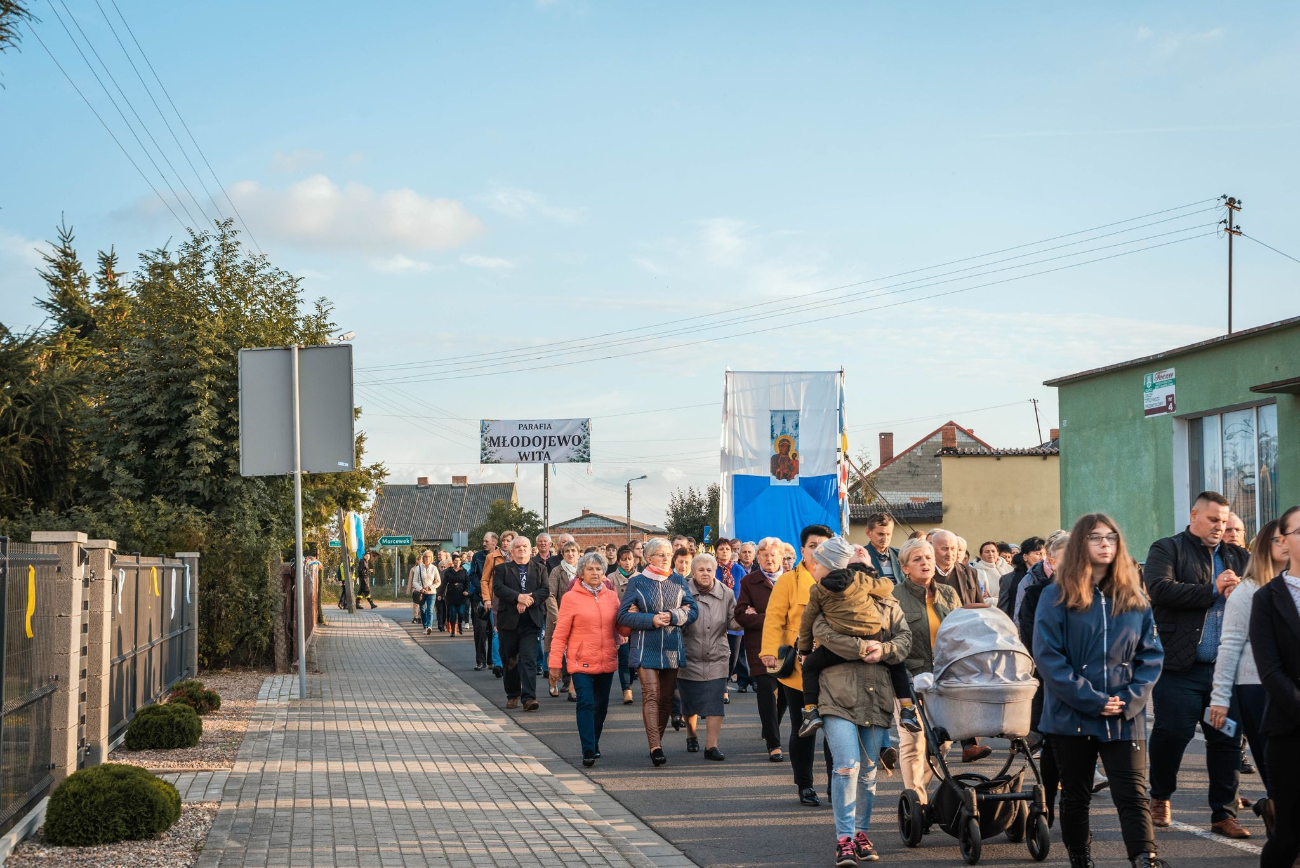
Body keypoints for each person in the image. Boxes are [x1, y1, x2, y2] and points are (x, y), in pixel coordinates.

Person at [1034, 513, 1166, 868]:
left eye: (1111, 537)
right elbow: (1049, 658)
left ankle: (1145, 858)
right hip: (1071, 714)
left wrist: (1130, 699)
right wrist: (1092, 700)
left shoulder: (1134, 598)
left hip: (1124, 714)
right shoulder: (1055, 596)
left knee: (1133, 795)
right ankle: (1081, 858)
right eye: (1095, 537)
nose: (1105, 543)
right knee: (1076, 795)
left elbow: (1151, 656)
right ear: (1081, 544)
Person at [1144, 490, 1251, 837]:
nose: (1221, 527)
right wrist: (1212, 590)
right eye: (1214, 519)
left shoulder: (1239, 556)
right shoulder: (1168, 548)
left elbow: (1261, 595)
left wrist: (1242, 593)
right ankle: (1160, 795)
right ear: (1194, 516)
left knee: (1227, 740)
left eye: (1225, 521)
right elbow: (1159, 589)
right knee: (1173, 733)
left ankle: (1223, 814)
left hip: (1226, 671)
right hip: (1181, 667)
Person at [804, 541, 911, 866]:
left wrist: (885, 650)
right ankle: (844, 839)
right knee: (847, 765)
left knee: (868, 771)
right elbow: (822, 633)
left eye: (865, 555)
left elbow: (904, 639)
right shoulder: (827, 598)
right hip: (836, 694)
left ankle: (861, 834)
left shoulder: (889, 601)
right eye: (855, 552)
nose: (861, 553)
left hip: (876, 694)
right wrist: (866, 647)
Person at [794, 537, 915, 739]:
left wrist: (804, 651)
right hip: (875, 635)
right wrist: (883, 583)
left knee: (810, 667)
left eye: (817, 565)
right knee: (897, 664)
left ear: (828, 566)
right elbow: (886, 587)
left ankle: (810, 711)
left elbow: (807, 624)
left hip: (842, 647)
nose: (814, 569)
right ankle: (907, 709)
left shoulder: (819, 590)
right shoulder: (862, 580)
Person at [1210, 518, 1290, 819]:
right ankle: (1279, 819)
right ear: (1266, 546)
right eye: (1280, 539)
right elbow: (1229, 646)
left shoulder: (1294, 587)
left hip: (1292, 685)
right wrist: (1220, 698)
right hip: (1256, 687)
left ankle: (1276, 812)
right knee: (1274, 767)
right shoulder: (1248, 591)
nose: (1287, 544)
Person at [760, 524, 835, 807]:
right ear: (802, 550)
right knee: (803, 727)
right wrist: (769, 652)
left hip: (835, 667)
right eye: (813, 546)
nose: (818, 551)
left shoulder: (840, 579)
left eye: (824, 547)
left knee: (836, 729)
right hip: (799, 669)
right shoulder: (788, 582)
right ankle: (805, 785)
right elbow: (774, 619)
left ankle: (836, 784)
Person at [616, 538, 698, 766]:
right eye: (661, 554)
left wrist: (673, 615)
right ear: (648, 558)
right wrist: (650, 619)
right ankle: (655, 747)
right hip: (645, 647)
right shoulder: (637, 582)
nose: (665, 558)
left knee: (666, 698)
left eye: (668, 554)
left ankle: (657, 739)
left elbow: (692, 611)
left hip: (671, 647)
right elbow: (622, 616)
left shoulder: (678, 580)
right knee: (651, 694)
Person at [1249, 504, 1300, 868]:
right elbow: (1269, 671)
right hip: (1289, 731)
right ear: (1282, 541)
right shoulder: (1267, 598)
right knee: (1289, 837)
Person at [891, 537, 960, 806]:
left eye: (929, 558)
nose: (925, 563)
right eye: (917, 559)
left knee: (942, 743)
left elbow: (960, 632)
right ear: (905, 568)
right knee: (913, 741)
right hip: (908, 677)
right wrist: (903, 672)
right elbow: (890, 639)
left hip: (944, 677)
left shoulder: (948, 594)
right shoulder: (895, 596)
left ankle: (921, 791)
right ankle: (916, 802)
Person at [1015, 530, 1075, 822]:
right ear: (1051, 560)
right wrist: (1057, 669)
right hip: (1051, 679)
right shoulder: (1036, 593)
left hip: (1083, 681)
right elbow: (1032, 637)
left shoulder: (1094, 591)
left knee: (1078, 753)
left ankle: (1074, 817)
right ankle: (1046, 805)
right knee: (1052, 745)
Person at [548, 552, 619, 767]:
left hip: (606, 658)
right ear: (581, 573)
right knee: (586, 703)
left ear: (604, 572)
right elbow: (560, 634)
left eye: (598, 569)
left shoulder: (611, 596)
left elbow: (621, 628)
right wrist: (554, 663)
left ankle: (594, 742)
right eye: (590, 569)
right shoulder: (571, 598)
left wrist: (631, 617)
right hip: (580, 661)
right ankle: (587, 748)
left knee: (601, 706)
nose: (595, 573)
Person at [736, 536, 789, 761]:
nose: (769, 559)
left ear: (781, 557)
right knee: (767, 692)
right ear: (758, 557)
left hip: (788, 646)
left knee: (785, 693)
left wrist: (761, 615)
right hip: (760, 646)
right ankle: (774, 744)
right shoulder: (749, 582)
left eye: (773, 555)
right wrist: (774, 619)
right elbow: (741, 615)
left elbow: (798, 615)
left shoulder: (791, 580)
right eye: (764, 555)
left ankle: (770, 726)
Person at [680, 552, 735, 760]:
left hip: (717, 656)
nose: (705, 573)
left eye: (709, 570)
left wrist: (745, 617)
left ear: (715, 571)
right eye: (701, 570)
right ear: (693, 572)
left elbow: (733, 622)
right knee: (689, 703)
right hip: (689, 654)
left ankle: (711, 746)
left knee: (714, 704)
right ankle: (691, 734)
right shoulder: (682, 591)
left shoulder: (726, 593)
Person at [493, 535, 550, 711]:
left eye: (525, 546)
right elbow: (499, 588)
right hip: (508, 622)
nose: (521, 549)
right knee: (510, 660)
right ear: (511, 551)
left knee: (528, 660)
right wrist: (518, 597)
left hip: (531, 622)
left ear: (530, 549)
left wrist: (527, 601)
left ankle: (529, 698)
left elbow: (544, 590)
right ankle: (512, 694)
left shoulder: (540, 569)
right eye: (517, 547)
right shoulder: (502, 569)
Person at [545, 541, 582, 699]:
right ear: (563, 554)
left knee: (576, 652)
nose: (570, 554)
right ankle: (553, 681)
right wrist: (558, 617)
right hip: (557, 617)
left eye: (573, 551)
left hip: (578, 618)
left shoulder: (583, 570)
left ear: (579, 553)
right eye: (567, 551)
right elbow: (550, 594)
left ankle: (573, 687)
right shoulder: (556, 571)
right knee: (555, 651)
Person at [609, 545, 638, 704]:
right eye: (624, 559)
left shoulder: (640, 577)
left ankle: (630, 684)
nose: (627, 562)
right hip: (620, 622)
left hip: (638, 622)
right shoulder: (611, 578)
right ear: (618, 561)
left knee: (634, 658)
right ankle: (626, 689)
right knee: (625, 656)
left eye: (630, 559)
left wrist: (638, 607)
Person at [930, 530, 981, 607]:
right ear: (933, 549)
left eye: (953, 549)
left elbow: (979, 605)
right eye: (945, 549)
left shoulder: (970, 572)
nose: (950, 554)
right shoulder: (926, 574)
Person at [999, 536, 1046, 619]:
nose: (1043, 558)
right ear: (1025, 556)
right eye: (1038, 554)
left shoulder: (1049, 577)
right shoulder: (1008, 579)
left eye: (1045, 554)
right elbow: (1003, 611)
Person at [862, 513, 901, 584]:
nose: (885, 538)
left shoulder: (901, 555)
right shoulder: (860, 557)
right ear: (868, 532)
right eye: (881, 534)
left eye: (888, 534)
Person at [409, 550, 440, 635]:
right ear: (423, 558)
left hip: (431, 592)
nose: (427, 558)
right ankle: (425, 626)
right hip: (421, 593)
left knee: (429, 609)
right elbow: (414, 581)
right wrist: (420, 589)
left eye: (428, 557)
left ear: (431, 558)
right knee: (422, 610)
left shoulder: (434, 568)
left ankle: (429, 626)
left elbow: (438, 581)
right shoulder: (418, 568)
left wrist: (430, 587)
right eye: (425, 557)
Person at [441, 553, 469, 635]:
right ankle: (453, 630)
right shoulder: (448, 571)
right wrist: (440, 593)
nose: (457, 562)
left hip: (461, 594)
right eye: (456, 560)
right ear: (453, 562)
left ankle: (460, 625)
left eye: (459, 560)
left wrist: (466, 590)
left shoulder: (464, 571)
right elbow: (444, 583)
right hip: (451, 594)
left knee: (461, 613)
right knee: (452, 613)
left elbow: (467, 582)